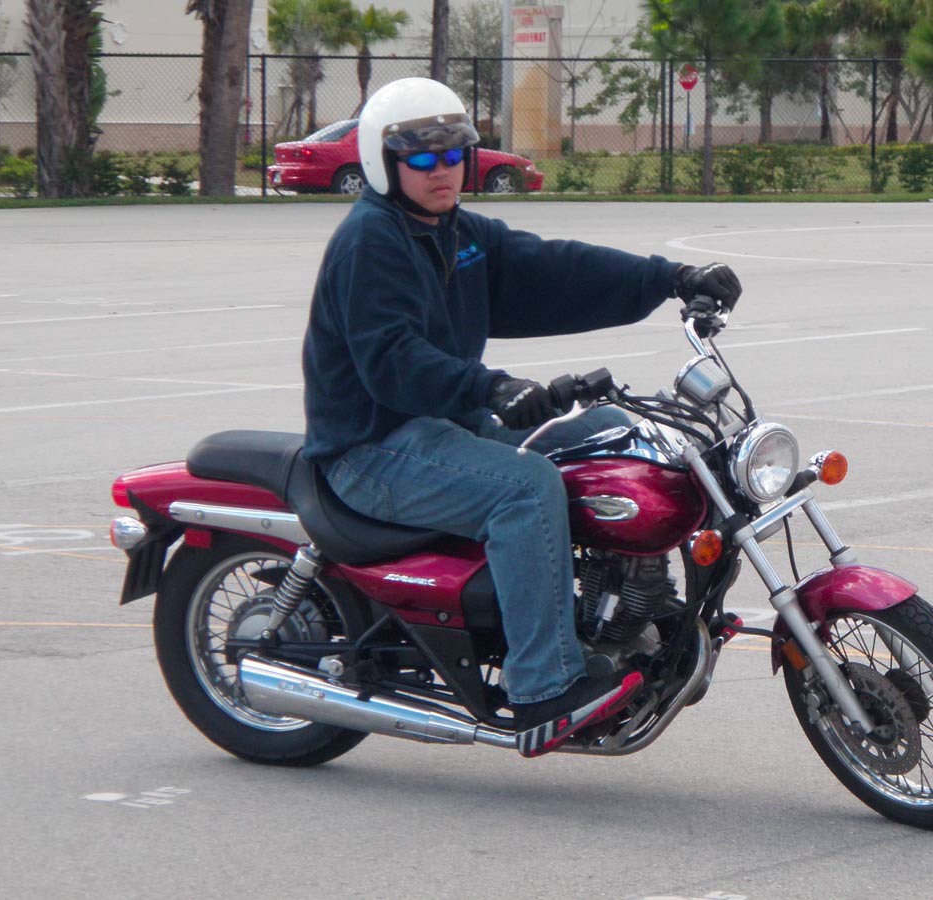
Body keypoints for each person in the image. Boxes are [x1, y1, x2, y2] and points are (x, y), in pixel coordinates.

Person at [301, 77, 741, 758]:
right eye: (422, 157)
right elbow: (391, 359)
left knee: (611, 439)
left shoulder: (457, 233)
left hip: (444, 422)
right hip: (372, 444)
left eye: (454, 153)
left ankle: (639, 609)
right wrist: (494, 387)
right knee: (526, 489)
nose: (443, 169)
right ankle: (543, 687)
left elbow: (554, 268)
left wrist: (670, 279)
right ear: (383, 162)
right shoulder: (372, 241)